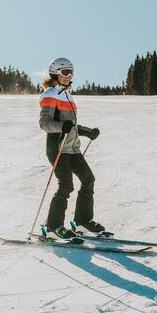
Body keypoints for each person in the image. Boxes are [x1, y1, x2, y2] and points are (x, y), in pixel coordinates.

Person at [39, 57, 105, 239]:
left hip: (72, 148)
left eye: (71, 73)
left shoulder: (68, 95)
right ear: (55, 73)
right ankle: (52, 226)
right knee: (66, 185)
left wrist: (87, 131)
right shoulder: (50, 94)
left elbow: (71, 125)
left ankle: (82, 221)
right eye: (65, 72)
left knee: (88, 179)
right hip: (57, 148)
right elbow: (44, 123)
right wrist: (62, 127)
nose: (69, 76)